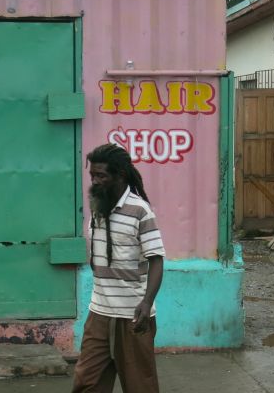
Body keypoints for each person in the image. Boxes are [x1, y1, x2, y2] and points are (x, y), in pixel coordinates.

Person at [72, 143, 165, 393]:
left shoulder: (140, 211)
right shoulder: (98, 208)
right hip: (99, 314)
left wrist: (147, 302)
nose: (95, 181)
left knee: (139, 387)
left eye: (101, 175)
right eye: (93, 175)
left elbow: (156, 258)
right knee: (86, 383)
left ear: (120, 175)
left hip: (132, 317)